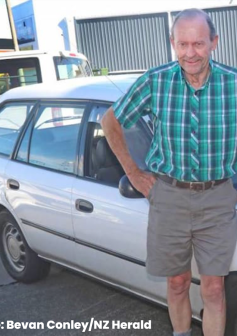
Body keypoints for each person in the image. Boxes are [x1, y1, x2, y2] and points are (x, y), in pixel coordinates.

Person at [101, 8, 237, 336]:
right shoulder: (156, 80)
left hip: (218, 197)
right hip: (169, 196)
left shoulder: (233, 85)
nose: (190, 53)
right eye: (183, 44)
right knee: (176, 283)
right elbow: (111, 121)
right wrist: (133, 172)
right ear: (173, 43)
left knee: (214, 288)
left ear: (214, 42)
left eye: (199, 44)